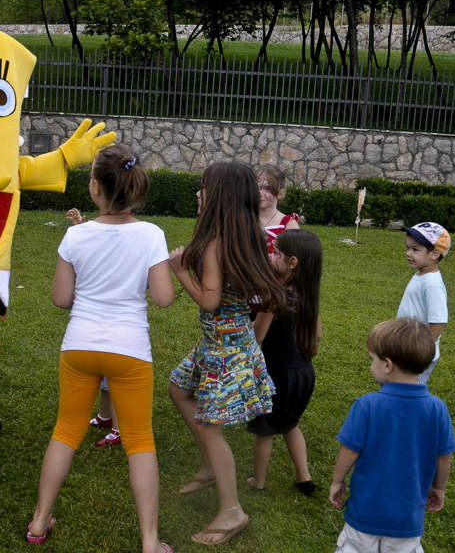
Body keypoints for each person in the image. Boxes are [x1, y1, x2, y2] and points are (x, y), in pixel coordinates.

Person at [27, 145, 175, 553]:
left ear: (95, 187)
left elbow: (60, 298)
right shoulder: (152, 235)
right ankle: (149, 541)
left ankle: (39, 521)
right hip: (130, 349)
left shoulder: (75, 235)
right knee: (140, 441)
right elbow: (163, 298)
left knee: (65, 431)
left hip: (79, 346)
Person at [168, 162, 286, 545]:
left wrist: (180, 271)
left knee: (208, 424)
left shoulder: (219, 240)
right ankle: (208, 464)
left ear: (219, 196)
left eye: (203, 188)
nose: (198, 194)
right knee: (179, 388)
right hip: (222, 342)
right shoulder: (242, 232)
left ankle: (232, 509)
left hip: (226, 348)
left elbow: (210, 300)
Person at [329, 318, 455, 553]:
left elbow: (349, 450)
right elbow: (444, 457)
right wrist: (439, 488)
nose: (371, 366)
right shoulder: (437, 409)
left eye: (373, 360)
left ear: (388, 365)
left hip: (364, 512)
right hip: (408, 517)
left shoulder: (367, 405)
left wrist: (338, 481)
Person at [247, 229, 323, 496]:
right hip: (304, 374)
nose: (271, 254)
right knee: (290, 424)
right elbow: (318, 334)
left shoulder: (275, 296)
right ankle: (304, 477)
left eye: (276, 252)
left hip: (276, 375)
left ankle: (258, 481)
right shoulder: (308, 294)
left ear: (292, 263)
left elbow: (256, 336)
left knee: (265, 430)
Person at [67, 207, 122, 448]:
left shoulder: (121, 253)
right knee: (103, 376)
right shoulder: (102, 245)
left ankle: (120, 428)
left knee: (114, 378)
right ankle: (104, 416)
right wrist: (79, 227)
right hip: (96, 325)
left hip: (113, 326)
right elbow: (91, 249)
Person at [397, 222, 451, 383]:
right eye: (407, 248)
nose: (408, 253)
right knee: (399, 386)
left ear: (434, 253)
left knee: (410, 391)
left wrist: (422, 350)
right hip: (407, 347)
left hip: (418, 353)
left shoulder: (432, 284)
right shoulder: (422, 274)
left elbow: (438, 320)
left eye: (415, 249)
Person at [256, 164, 299, 254]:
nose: (260, 192)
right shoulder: (244, 219)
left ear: (280, 193)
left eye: (267, 188)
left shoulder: (288, 225)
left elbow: (292, 259)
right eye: (257, 187)